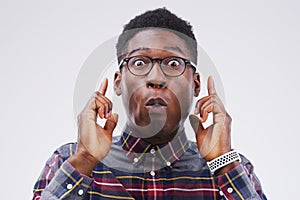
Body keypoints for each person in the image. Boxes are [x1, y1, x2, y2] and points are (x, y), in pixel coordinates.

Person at [33, 8, 267, 200]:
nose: (156, 78)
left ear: (196, 84)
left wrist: (223, 163)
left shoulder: (234, 171)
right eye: (139, 62)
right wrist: (84, 160)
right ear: (118, 82)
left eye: (174, 63)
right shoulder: (67, 161)